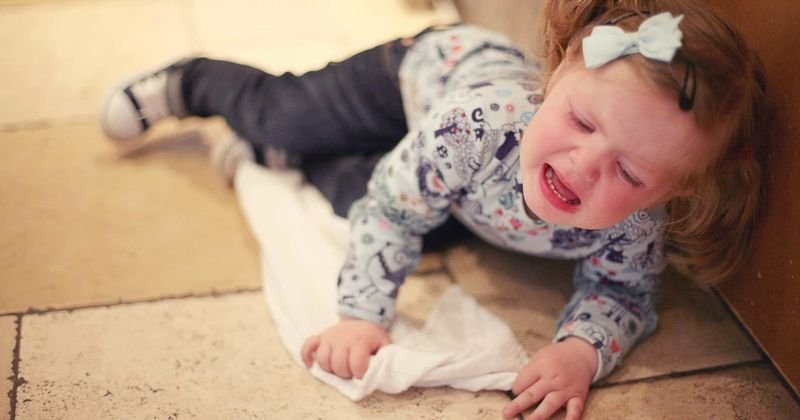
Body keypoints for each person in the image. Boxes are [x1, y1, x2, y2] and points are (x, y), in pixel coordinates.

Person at [99, 0, 766, 418]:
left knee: (397, 210)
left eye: (630, 171)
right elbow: (392, 210)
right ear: (558, 70)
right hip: (415, 76)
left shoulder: (639, 222)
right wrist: (361, 315)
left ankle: (284, 157)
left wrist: (579, 352)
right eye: (582, 122)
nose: (584, 164)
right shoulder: (477, 126)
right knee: (286, 117)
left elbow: (623, 292)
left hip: (465, 191)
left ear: (673, 191)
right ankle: (190, 83)